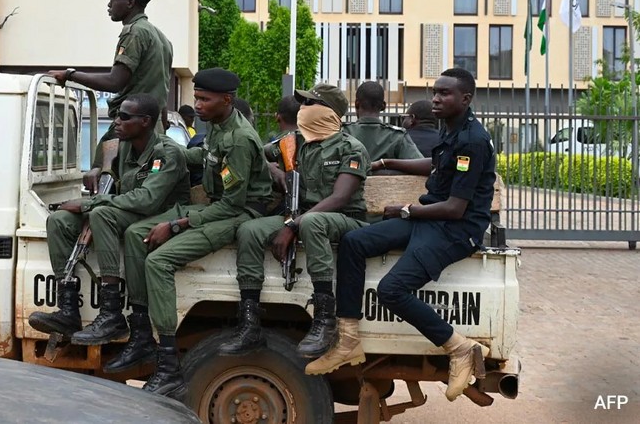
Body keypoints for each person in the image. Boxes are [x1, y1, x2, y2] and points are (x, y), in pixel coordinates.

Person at [305, 69, 496, 403]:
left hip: (456, 231)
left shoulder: (472, 141)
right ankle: (348, 340)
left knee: (391, 290)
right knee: (354, 242)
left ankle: (459, 347)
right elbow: (436, 166)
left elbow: (455, 208)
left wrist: (408, 210)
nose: (436, 99)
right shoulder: (451, 129)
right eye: (435, 92)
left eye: (445, 93)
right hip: (431, 219)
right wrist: (384, 162)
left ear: (465, 99)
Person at [118, 68, 272, 401]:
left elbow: (231, 204)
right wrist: (168, 152)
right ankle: (141, 331)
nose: (197, 105)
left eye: (204, 99)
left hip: (238, 212)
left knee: (158, 262)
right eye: (197, 98)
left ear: (226, 100)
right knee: (135, 233)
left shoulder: (239, 139)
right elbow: (204, 157)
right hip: (216, 207)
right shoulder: (217, 126)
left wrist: (177, 225)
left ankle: (168, 366)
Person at [219, 84, 370, 359]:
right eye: (303, 104)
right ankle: (250, 320)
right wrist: (273, 170)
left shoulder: (350, 147)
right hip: (298, 214)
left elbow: (340, 197)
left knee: (313, 222)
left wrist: (293, 224)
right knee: (249, 230)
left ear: (329, 112)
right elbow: (253, 153)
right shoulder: (293, 141)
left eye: (310, 104)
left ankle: (325, 318)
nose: (303, 109)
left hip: (344, 219)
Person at [28, 94, 190, 348]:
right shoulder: (124, 146)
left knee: (100, 213)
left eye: (124, 117)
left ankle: (111, 312)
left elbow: (148, 199)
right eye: (117, 115)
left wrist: (89, 203)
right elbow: (113, 179)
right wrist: (99, 170)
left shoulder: (166, 153)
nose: (116, 121)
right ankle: (68, 311)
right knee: (59, 220)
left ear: (145, 121)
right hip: (128, 209)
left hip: (161, 213)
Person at [49, 0, 173, 191]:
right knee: (145, 187)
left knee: (105, 185)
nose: (109, 4)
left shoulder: (134, 32)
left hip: (130, 129)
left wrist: (70, 74)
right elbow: (161, 94)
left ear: (130, 2)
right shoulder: (163, 39)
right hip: (152, 130)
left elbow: (114, 81)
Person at [343, 81, 423, 162]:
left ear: (356, 104)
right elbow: (420, 164)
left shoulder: (343, 133)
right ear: (383, 106)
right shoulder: (397, 136)